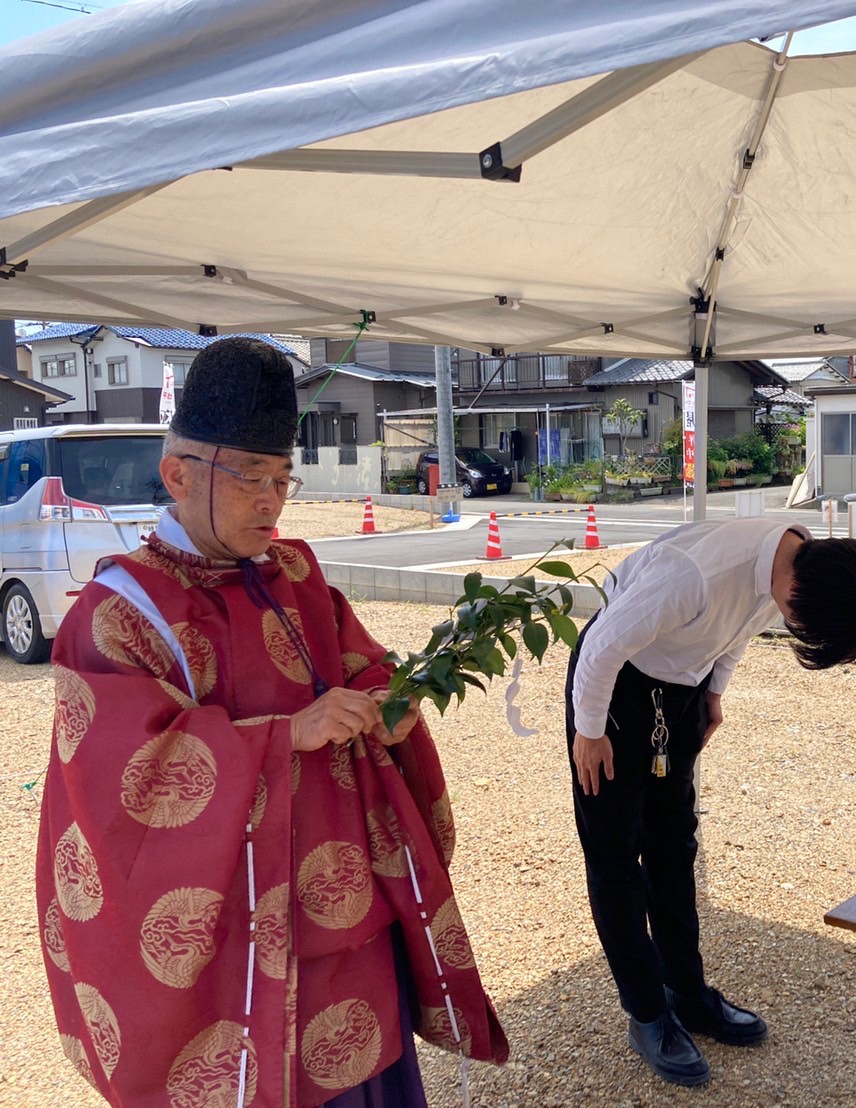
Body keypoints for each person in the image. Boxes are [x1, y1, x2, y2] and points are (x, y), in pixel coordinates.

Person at [35, 337, 507, 1107]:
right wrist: (286, 733)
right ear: (177, 474)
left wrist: (392, 701)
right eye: (250, 476)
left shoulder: (295, 573)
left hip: (345, 913)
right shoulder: (119, 615)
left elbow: (363, 663)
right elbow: (121, 781)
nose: (272, 500)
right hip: (232, 943)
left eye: (283, 479)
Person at [566, 517, 856, 1086]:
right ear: (799, 590)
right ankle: (647, 1014)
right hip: (614, 684)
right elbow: (602, 646)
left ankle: (688, 994)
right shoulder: (691, 575)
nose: (795, 627)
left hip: (681, 688)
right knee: (616, 855)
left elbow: (738, 631)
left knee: (674, 844)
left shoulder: (791, 568)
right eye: (802, 624)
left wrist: (713, 694)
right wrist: (590, 730)